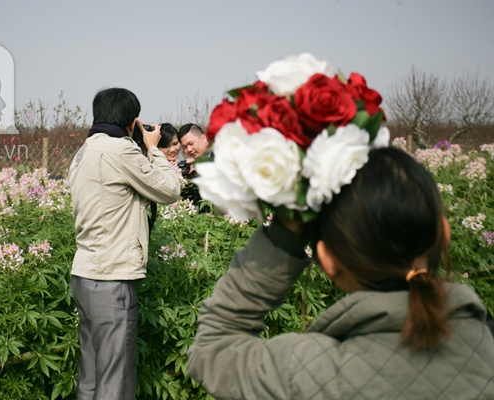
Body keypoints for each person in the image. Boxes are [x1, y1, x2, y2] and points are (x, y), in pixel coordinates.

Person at [186, 147, 494, 399]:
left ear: (328, 261)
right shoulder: (486, 344)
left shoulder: (306, 370)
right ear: (444, 231)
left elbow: (215, 348)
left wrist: (287, 232)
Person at [69, 88, 180, 400]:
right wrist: (153, 148)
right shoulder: (120, 151)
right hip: (112, 280)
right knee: (114, 384)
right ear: (132, 122)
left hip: (84, 275)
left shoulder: (84, 151)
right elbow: (170, 190)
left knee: (90, 379)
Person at [177, 123, 212, 212]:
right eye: (184, 147)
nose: (189, 150)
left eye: (191, 143)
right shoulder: (190, 168)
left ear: (203, 138)